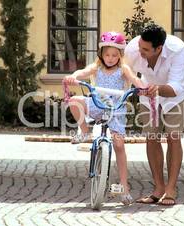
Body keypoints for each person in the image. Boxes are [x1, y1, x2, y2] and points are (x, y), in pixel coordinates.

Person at [63, 31, 144, 205]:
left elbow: (135, 80)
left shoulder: (123, 69)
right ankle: (85, 131)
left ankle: (124, 187)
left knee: (119, 145)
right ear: (101, 54)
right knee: (75, 101)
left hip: (116, 110)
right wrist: (74, 77)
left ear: (120, 55)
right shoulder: (96, 67)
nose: (110, 58)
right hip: (96, 105)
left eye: (114, 55)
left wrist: (143, 87)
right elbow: (83, 71)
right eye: (107, 54)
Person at [124, 24, 184, 206]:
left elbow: (176, 86)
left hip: (174, 93)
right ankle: (158, 188)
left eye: (145, 49)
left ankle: (171, 189)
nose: (140, 51)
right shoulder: (133, 48)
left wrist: (158, 89)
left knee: (173, 137)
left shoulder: (177, 49)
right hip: (148, 91)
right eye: (140, 46)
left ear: (159, 48)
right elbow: (124, 72)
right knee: (151, 137)